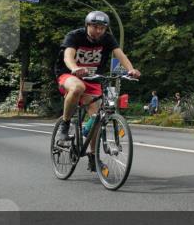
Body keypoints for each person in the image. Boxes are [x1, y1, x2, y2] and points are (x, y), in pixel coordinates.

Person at [54, 11, 140, 170]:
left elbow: (120, 55)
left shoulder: (107, 38)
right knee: (77, 87)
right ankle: (65, 124)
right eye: (95, 27)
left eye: (102, 28)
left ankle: (93, 156)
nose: (99, 30)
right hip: (68, 74)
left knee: (97, 119)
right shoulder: (75, 36)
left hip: (93, 78)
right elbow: (68, 56)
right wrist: (75, 68)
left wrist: (131, 70)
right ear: (87, 25)